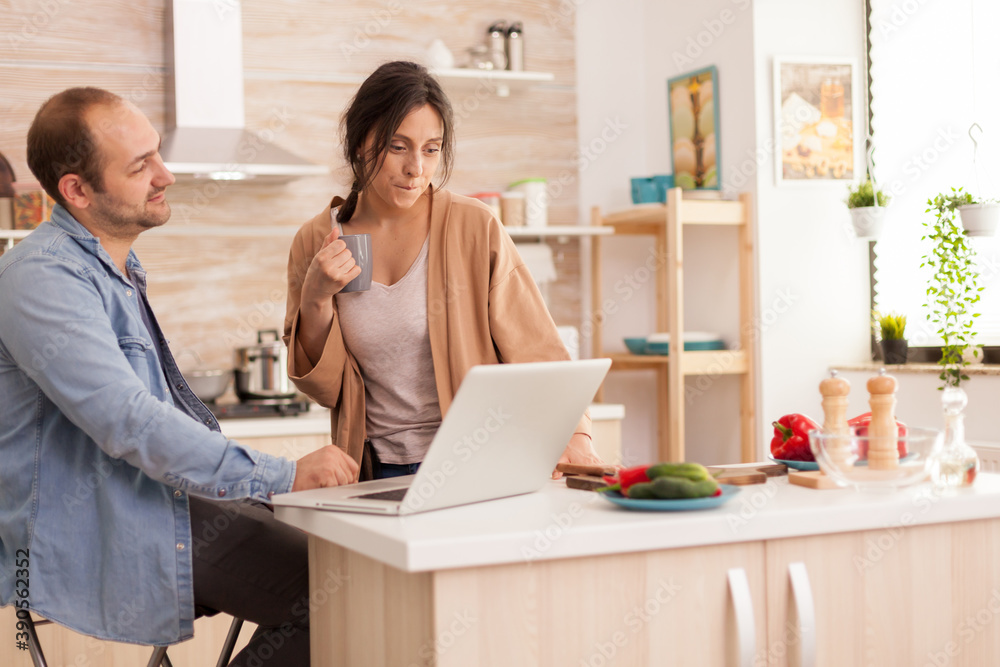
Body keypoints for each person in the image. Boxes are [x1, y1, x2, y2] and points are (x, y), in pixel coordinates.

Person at [0, 88, 356, 665]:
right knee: (343, 592)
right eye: (140, 165)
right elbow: (128, 421)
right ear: (77, 190)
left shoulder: (115, 269)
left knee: (354, 568)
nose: (165, 174)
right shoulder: (40, 279)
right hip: (96, 534)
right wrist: (280, 475)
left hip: (149, 505)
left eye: (157, 153)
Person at [284, 61, 602, 480]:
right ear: (361, 143)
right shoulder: (317, 240)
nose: (416, 167)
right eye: (397, 147)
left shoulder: (474, 226)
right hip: (374, 474)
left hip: (479, 465)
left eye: (431, 149)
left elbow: (538, 349)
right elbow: (325, 390)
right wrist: (316, 297)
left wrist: (577, 436)